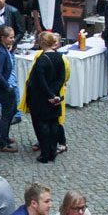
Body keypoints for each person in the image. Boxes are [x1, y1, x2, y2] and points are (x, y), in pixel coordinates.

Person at [25, 31, 66, 162]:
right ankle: (53, 151)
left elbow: (40, 81)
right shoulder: (59, 57)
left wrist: (49, 94)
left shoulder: (41, 60)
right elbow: (61, 78)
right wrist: (54, 93)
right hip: (55, 96)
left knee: (42, 126)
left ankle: (45, 153)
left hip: (41, 98)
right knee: (53, 123)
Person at [0, 26, 20, 150]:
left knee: (12, 110)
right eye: (10, 37)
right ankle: (2, 142)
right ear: (3, 38)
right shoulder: (1, 53)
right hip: (4, 88)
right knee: (6, 114)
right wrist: (7, 86)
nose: (13, 40)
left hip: (7, 86)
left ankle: (5, 136)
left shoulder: (5, 50)